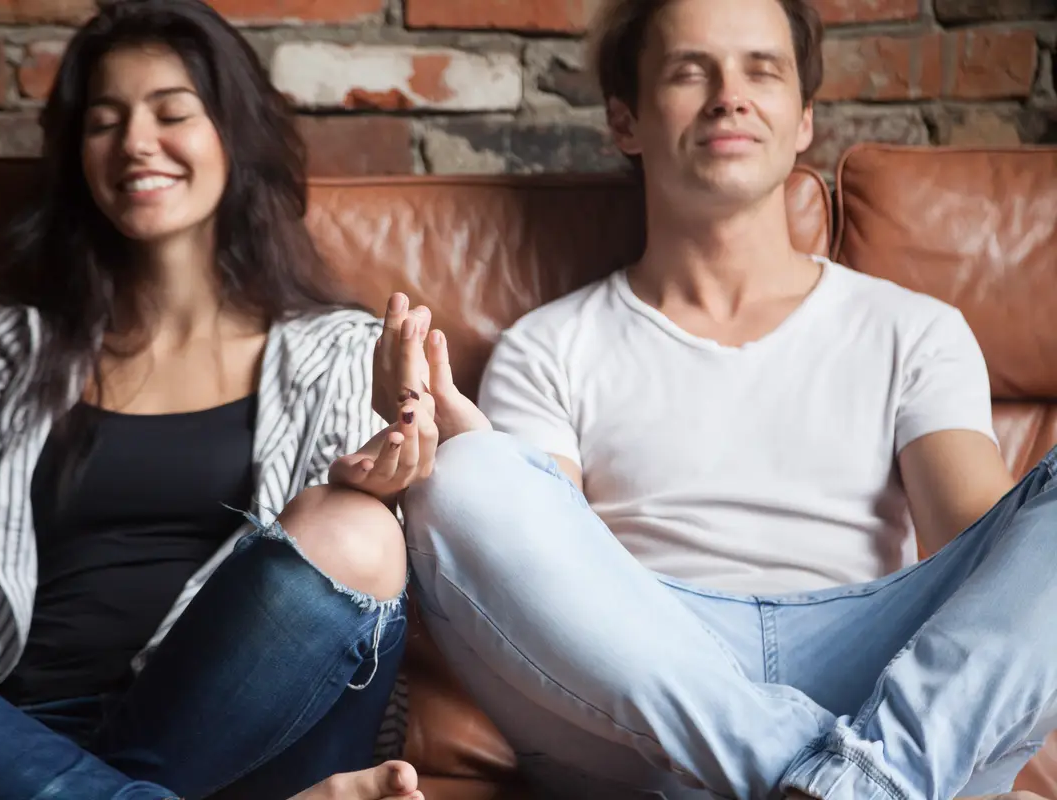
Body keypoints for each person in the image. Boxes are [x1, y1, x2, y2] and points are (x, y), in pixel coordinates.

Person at [379, 0, 1057, 798]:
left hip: (885, 683)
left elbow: (979, 560)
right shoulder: (549, 344)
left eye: (761, 70)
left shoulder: (916, 330)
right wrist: (479, 458)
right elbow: (553, 590)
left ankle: (862, 774)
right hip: (647, 698)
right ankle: (849, 781)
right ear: (625, 120)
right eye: (689, 70)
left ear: (804, 118)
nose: (729, 95)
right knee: (462, 478)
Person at [0, 1, 437, 798]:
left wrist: (375, 489)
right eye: (104, 122)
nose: (134, 142)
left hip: (238, 727)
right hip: (13, 737)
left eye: (172, 113)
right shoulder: (14, 348)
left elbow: (336, 591)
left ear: (233, 133)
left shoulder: (338, 349)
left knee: (356, 529)